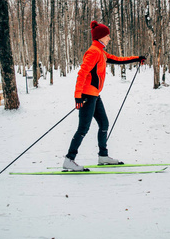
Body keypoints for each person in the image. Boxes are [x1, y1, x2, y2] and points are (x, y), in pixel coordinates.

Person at [63, 21, 146, 171]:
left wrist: (136, 58)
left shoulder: (101, 52)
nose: (109, 38)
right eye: (108, 35)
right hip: (87, 95)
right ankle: (69, 159)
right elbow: (82, 73)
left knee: (104, 124)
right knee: (83, 128)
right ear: (101, 37)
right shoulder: (93, 52)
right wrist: (78, 96)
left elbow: (117, 59)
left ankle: (103, 156)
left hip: (94, 95)